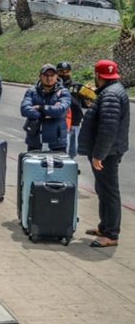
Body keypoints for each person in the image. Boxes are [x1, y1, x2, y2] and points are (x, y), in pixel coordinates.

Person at [78, 60, 130, 248]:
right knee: (103, 189)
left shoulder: (109, 95)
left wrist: (99, 154)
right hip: (110, 149)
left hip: (107, 152)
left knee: (109, 192)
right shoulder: (112, 91)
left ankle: (111, 234)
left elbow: (108, 128)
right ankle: (105, 226)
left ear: (98, 75)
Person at [20, 64, 71, 152]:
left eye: (52, 75)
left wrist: (40, 107)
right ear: (40, 76)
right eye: (46, 75)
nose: (49, 78)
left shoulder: (63, 92)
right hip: (35, 142)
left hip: (57, 143)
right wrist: (45, 115)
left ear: (56, 76)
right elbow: (24, 109)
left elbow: (60, 110)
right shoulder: (32, 92)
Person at [57, 61, 86, 158]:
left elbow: (86, 102)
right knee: (62, 150)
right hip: (60, 121)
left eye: (67, 71)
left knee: (73, 150)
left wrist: (88, 102)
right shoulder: (55, 86)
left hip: (75, 121)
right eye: (61, 71)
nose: (64, 74)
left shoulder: (77, 86)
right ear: (57, 72)